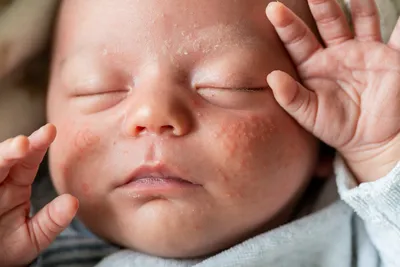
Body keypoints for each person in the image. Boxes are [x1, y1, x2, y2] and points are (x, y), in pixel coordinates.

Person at [0, 0, 399, 266]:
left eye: (227, 85)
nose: (152, 114)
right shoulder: (26, 248)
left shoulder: (367, 232)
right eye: (96, 88)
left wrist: (381, 152)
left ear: (322, 142)